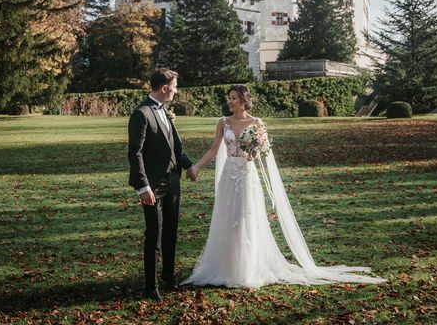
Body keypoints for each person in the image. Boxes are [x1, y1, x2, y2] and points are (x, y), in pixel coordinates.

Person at [182, 85, 386, 288]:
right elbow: (213, 149)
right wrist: (196, 167)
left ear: (244, 100)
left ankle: (245, 269)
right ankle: (224, 265)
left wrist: (255, 149)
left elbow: (263, 152)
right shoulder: (222, 122)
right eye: (229, 98)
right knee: (226, 217)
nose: (230, 101)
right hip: (229, 175)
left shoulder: (256, 123)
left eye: (234, 98)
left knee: (245, 217)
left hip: (246, 174)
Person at [128, 68, 197, 301]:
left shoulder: (165, 111)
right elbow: (134, 153)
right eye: (175, 87)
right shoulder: (142, 113)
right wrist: (143, 187)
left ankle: (168, 276)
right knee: (154, 234)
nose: (176, 91)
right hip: (153, 186)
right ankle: (151, 286)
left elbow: (174, 145)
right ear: (165, 87)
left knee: (171, 231)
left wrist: (187, 165)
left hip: (173, 181)